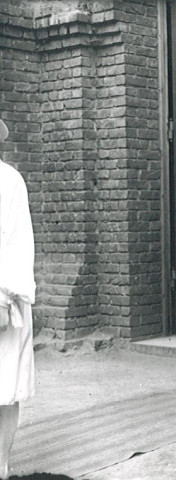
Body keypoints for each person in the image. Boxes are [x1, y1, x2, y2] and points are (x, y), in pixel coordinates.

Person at [0, 118, 36, 479]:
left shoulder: (9, 180)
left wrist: (4, 295)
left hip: (3, 296)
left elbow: (17, 241)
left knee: (4, 388)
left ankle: (1, 464)